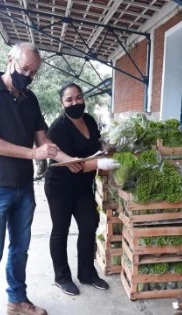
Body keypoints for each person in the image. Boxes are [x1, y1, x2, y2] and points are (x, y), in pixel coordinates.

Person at [0, 43, 81, 315]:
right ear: (10, 60)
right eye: (24, 69)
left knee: (20, 250)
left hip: (23, 186)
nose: (27, 75)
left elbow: (44, 141)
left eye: (33, 72)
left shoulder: (30, 99)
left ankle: (17, 301)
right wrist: (33, 153)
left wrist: (68, 160)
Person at [44, 82, 120, 296]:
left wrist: (104, 147)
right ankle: (62, 278)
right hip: (60, 186)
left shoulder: (89, 120)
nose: (75, 102)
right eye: (69, 99)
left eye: (78, 97)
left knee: (89, 226)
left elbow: (95, 146)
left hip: (83, 186)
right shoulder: (58, 128)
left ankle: (87, 274)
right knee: (61, 230)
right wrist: (101, 164)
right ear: (62, 103)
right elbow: (75, 165)